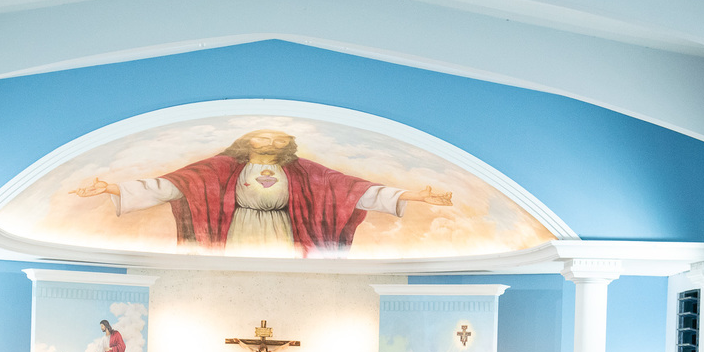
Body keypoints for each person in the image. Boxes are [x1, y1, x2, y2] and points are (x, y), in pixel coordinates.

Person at [73, 129, 452, 256]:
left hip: (285, 233)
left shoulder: (305, 172)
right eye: (262, 137)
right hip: (239, 231)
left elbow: (353, 191)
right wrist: (113, 188)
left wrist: (411, 196)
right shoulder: (221, 168)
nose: (269, 141)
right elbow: (173, 186)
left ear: (286, 144)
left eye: (276, 138)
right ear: (247, 141)